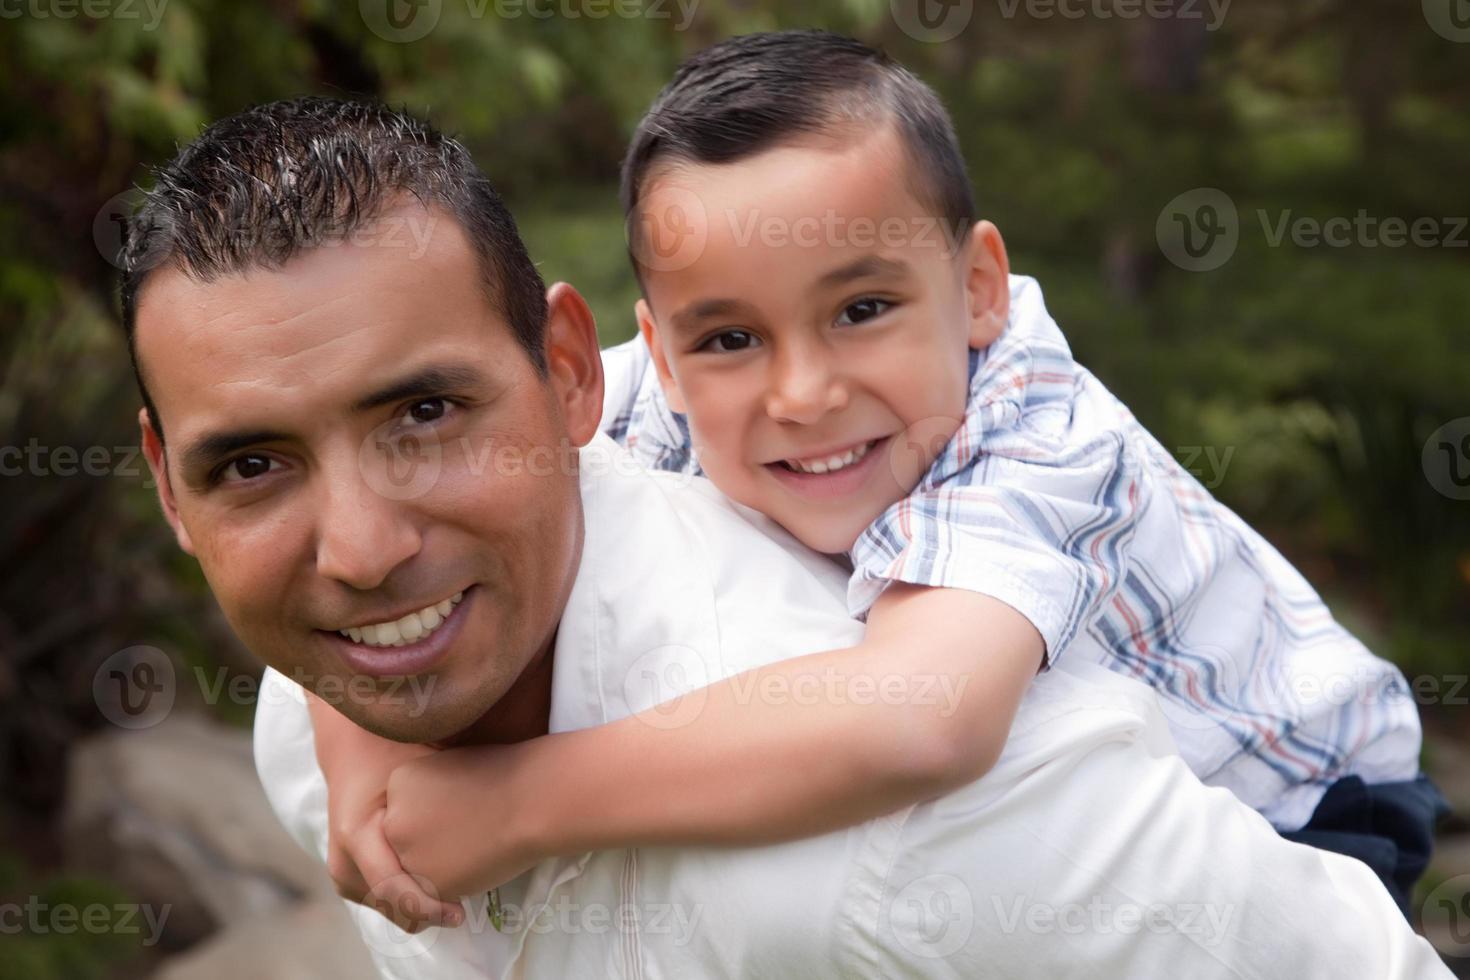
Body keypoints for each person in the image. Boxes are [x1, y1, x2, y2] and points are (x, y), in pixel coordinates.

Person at [123, 95, 1449, 979]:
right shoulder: (646, 402)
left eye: (422, 412)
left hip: (1309, 794)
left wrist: (513, 805)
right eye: (251, 463)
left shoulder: (1032, 442)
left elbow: (918, 723)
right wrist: (361, 764)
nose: (801, 391)